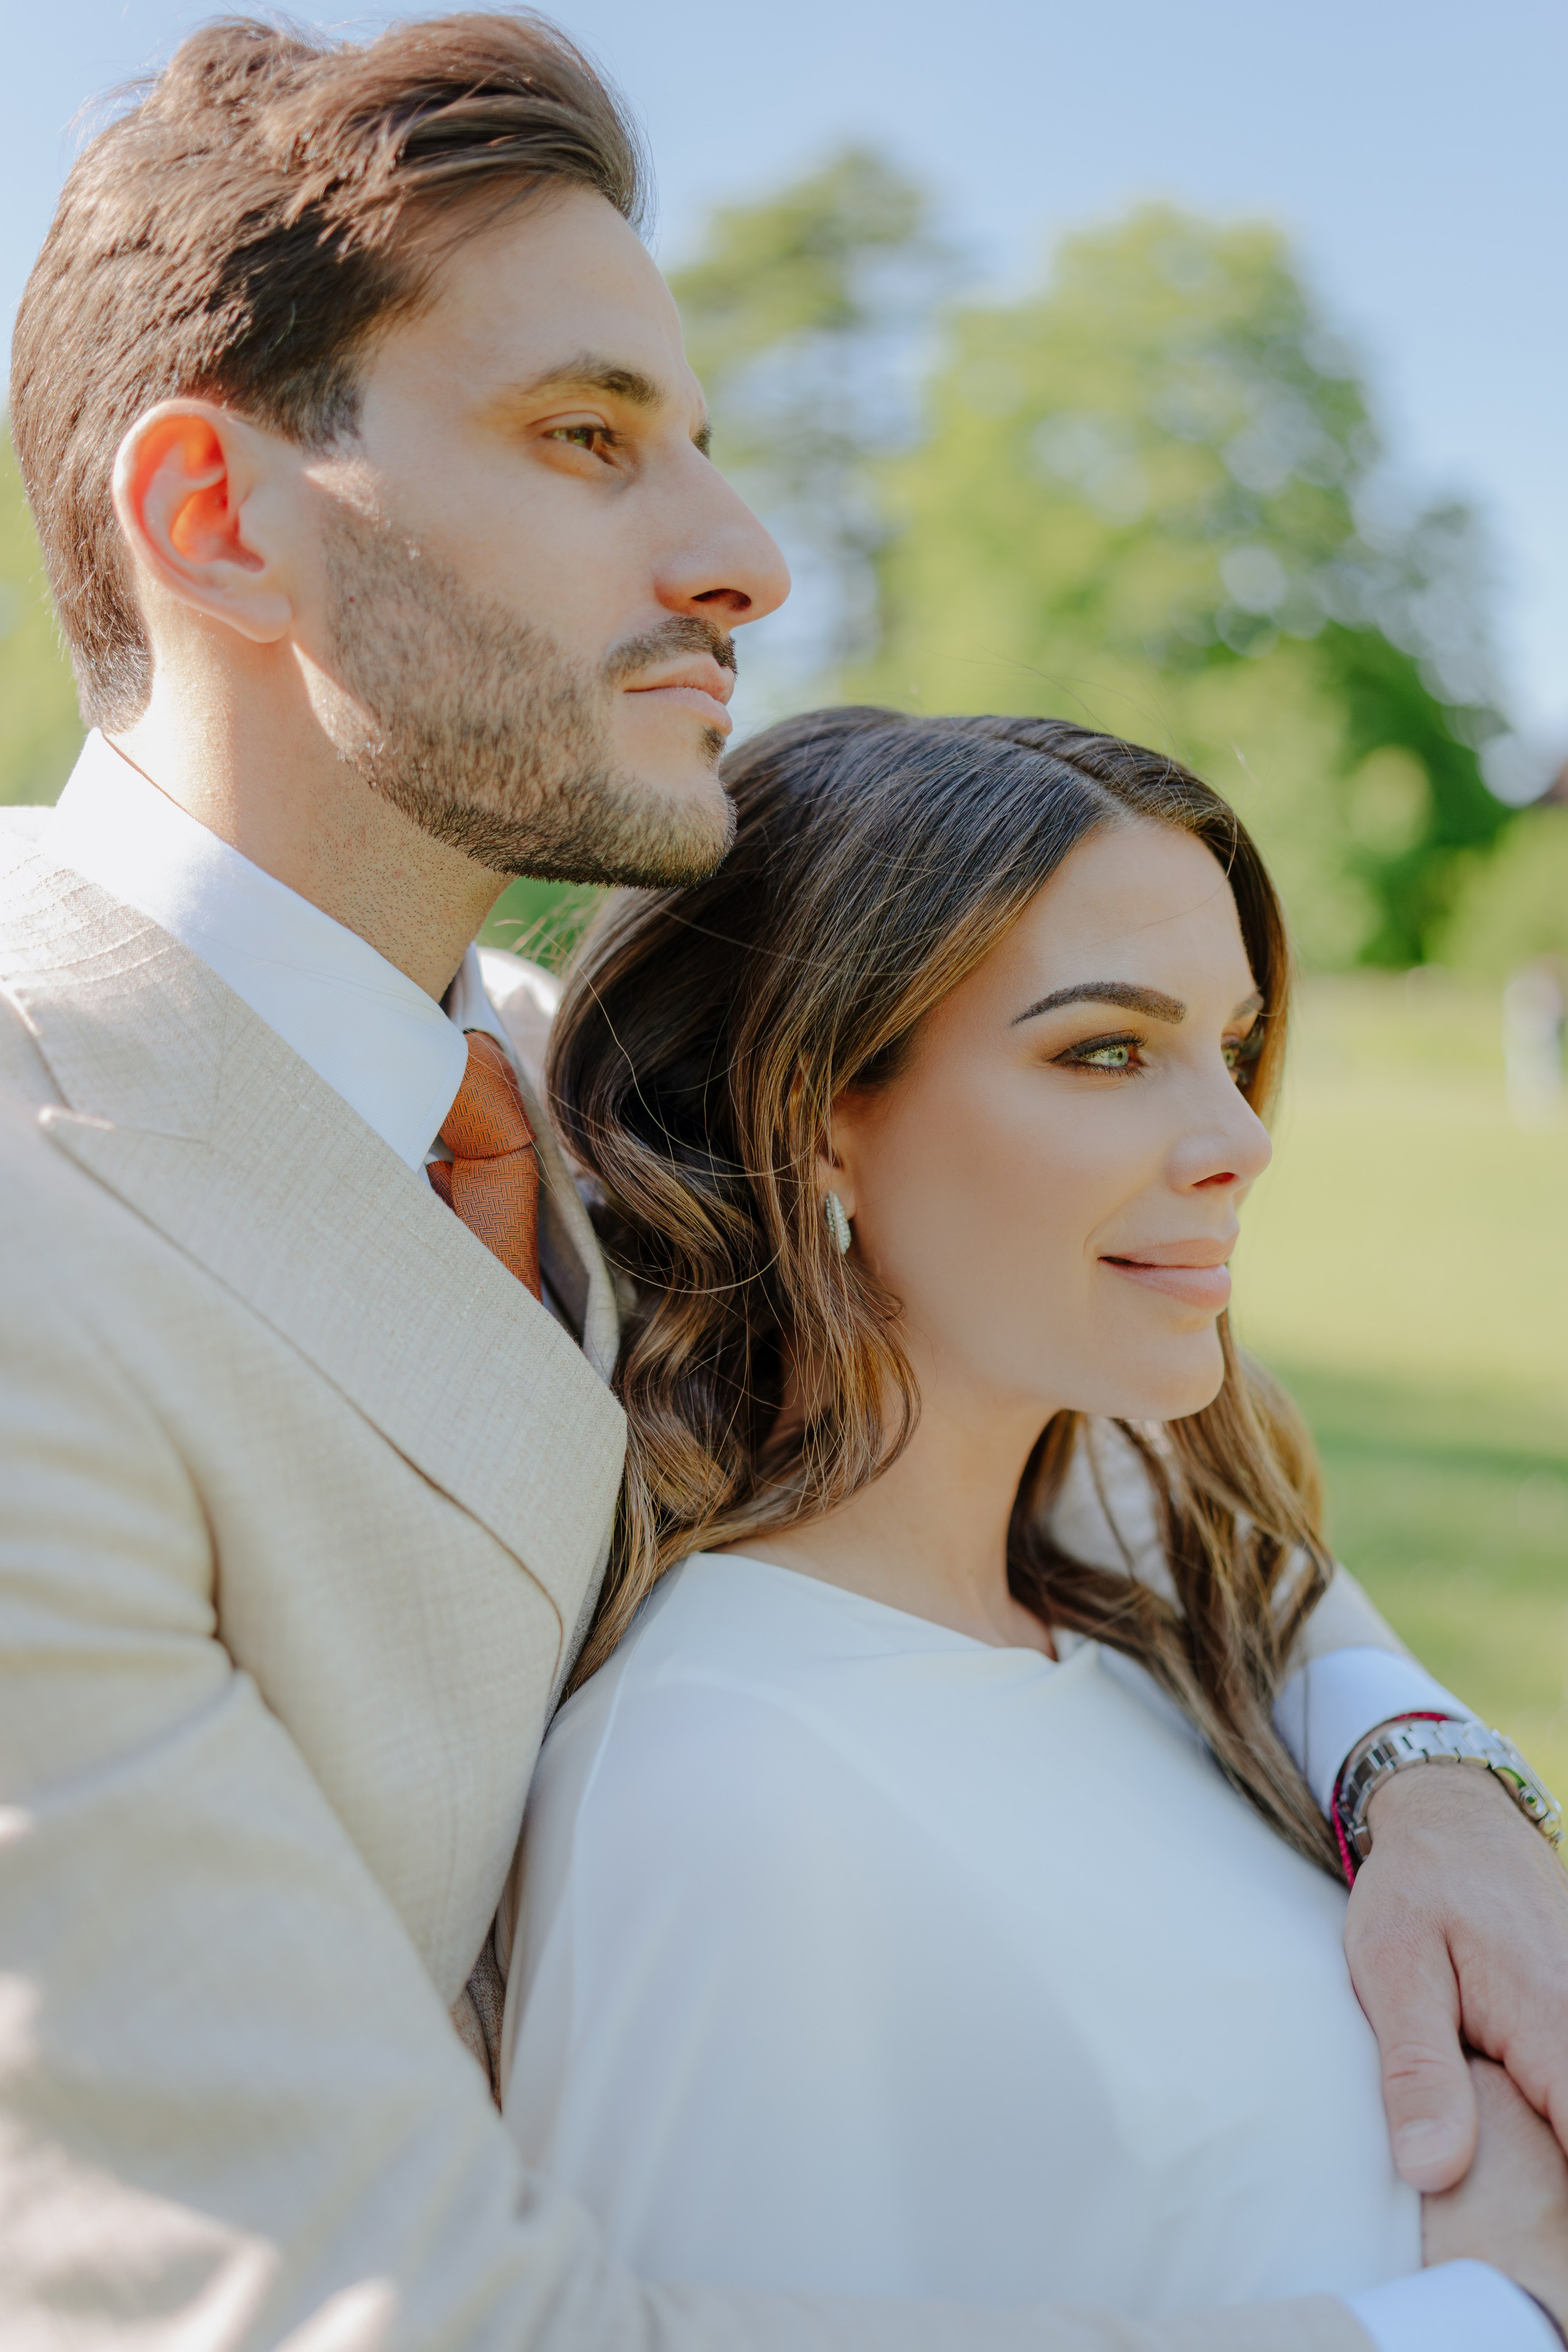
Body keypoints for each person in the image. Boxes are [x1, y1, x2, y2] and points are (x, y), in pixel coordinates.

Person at [0, 11, 1564, 2348]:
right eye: (586, 439)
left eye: (700, 445)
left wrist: (1423, 1772)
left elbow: (1095, 1455)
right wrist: (1460, 2328)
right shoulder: (42, 1237)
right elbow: (373, 2312)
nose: (743, 559)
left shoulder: (562, 1107)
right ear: (221, 520)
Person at [510, 708, 1568, 2348]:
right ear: (818, 1119)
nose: (1239, 1141)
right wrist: (1501, 2321)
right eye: (1106, 1051)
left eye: (1233, 1041)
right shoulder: (722, 1790)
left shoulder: (1149, 1608)